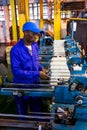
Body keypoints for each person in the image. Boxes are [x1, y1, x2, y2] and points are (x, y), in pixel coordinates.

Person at [10, 22, 49, 118]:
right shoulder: (16, 50)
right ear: (26, 33)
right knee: (22, 114)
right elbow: (16, 71)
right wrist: (37, 74)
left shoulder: (34, 45)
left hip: (35, 85)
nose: (36, 36)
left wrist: (41, 68)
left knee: (37, 111)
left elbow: (35, 62)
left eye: (37, 34)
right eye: (34, 34)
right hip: (22, 87)